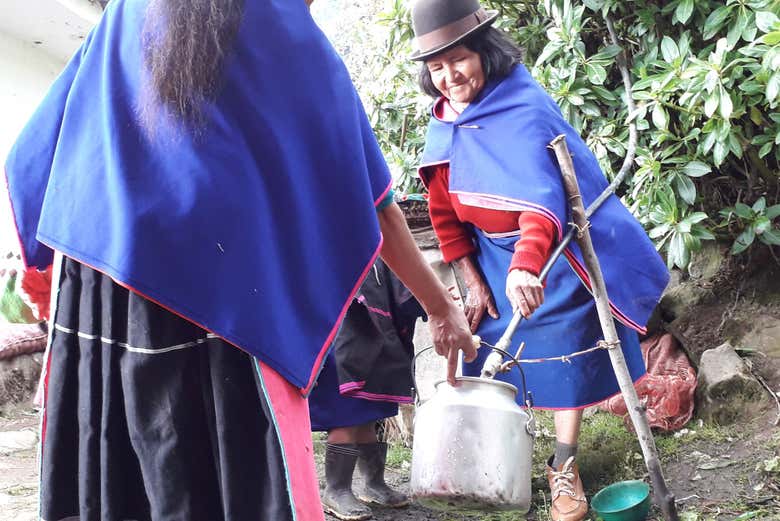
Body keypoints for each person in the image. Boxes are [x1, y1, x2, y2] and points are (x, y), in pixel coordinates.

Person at [3, 1, 475, 520]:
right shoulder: (278, 23)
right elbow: (369, 198)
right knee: (235, 486)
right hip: (226, 307)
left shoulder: (127, 11)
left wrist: (47, 274)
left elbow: (38, 153)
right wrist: (440, 308)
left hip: (102, 290)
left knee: (117, 487)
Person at [409, 1, 670, 520]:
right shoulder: (445, 124)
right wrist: (471, 276)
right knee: (487, 351)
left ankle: (563, 465)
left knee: (564, 349)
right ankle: (490, 455)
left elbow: (543, 200)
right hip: (485, 253)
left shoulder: (524, 106)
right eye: (435, 67)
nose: (448, 76)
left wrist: (526, 265)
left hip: (550, 250)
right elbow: (443, 212)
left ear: (484, 51)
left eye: (457, 60)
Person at [308, 258, 424, 520]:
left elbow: (400, 280)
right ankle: (337, 490)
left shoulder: (377, 244)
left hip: (377, 335)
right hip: (343, 337)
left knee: (368, 416)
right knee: (346, 417)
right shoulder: (329, 242)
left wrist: (426, 296)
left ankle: (374, 484)